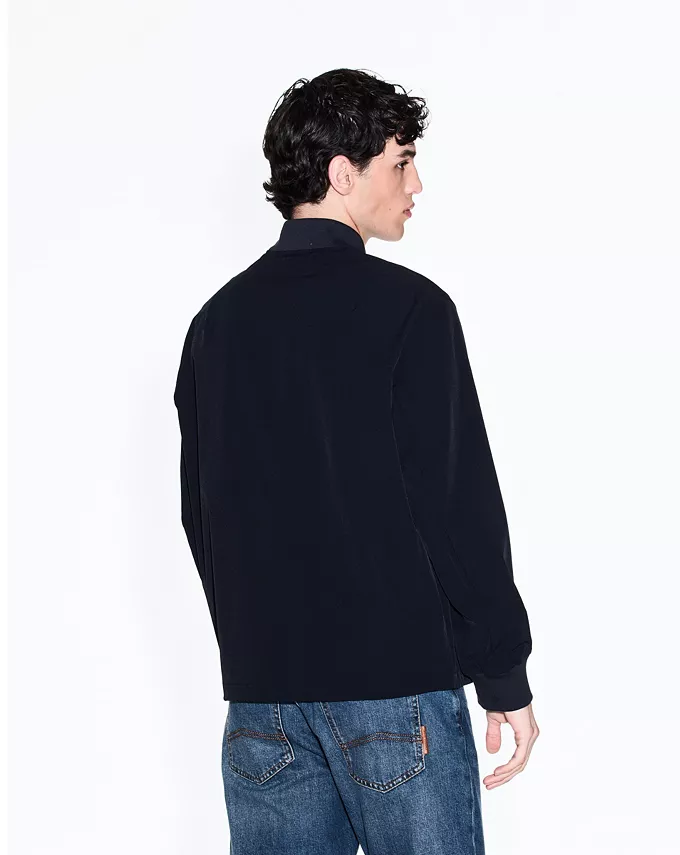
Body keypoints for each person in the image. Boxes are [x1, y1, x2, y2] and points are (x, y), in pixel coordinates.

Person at [173, 67, 539, 855]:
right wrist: (502, 672)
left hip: (262, 706)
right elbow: (456, 508)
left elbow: (201, 515)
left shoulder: (215, 326)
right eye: (401, 162)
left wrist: (258, 647)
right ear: (344, 174)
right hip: (395, 692)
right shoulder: (410, 310)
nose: (416, 185)